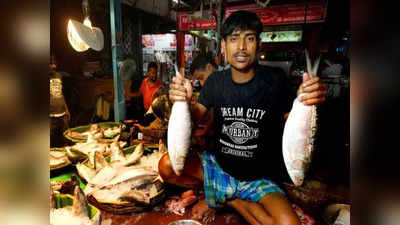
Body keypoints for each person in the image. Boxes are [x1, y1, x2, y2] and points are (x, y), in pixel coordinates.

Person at [159, 10, 326, 225]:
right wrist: (184, 101)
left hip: (259, 178)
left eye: (249, 38)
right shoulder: (215, 82)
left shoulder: (275, 80)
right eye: (234, 39)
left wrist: (309, 101)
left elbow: (294, 128)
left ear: (259, 43)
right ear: (223, 46)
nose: (241, 47)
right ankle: (229, 197)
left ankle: (230, 200)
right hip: (220, 169)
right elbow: (196, 118)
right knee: (166, 166)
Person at [190, 54, 218, 147]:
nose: (201, 84)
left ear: (209, 67)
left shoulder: (226, 82)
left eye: (201, 78)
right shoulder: (211, 88)